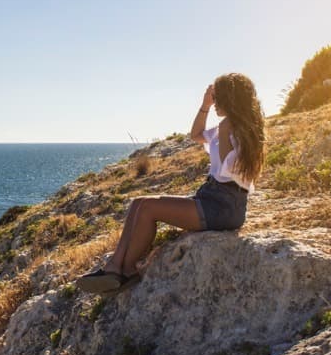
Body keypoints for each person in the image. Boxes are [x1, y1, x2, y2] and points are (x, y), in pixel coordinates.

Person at [77, 73, 266, 295]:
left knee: (149, 209)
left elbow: (228, 170)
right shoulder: (223, 128)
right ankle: (114, 267)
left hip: (225, 207)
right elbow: (195, 135)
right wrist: (204, 105)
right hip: (210, 198)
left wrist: (225, 130)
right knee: (139, 202)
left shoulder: (241, 133)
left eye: (219, 98)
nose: (216, 104)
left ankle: (126, 271)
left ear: (231, 100)